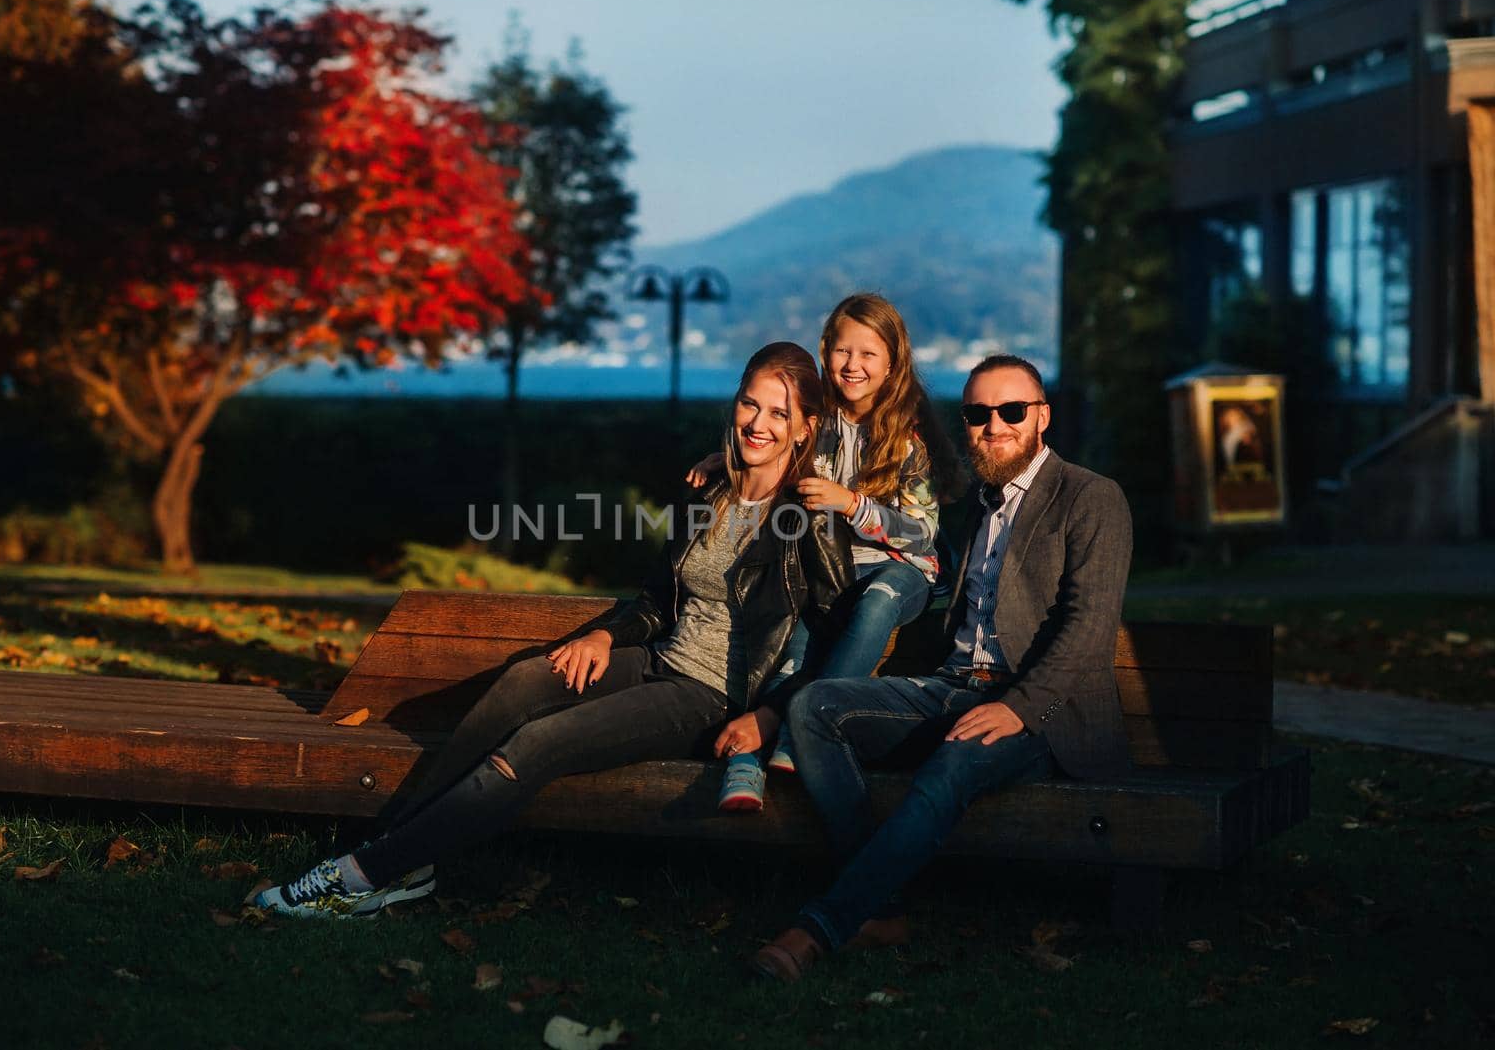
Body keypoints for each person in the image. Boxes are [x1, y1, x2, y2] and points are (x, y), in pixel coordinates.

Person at [248, 342, 853, 918]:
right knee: (523, 681)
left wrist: (771, 715)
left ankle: (362, 876)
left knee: (537, 743)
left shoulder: (807, 520)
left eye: (781, 413)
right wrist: (603, 637)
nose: (759, 423)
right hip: (660, 658)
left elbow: (835, 638)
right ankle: (393, 855)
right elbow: (657, 599)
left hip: (710, 698)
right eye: (751, 403)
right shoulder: (710, 489)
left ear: (805, 428)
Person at [750, 353, 1133, 980]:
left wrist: (1016, 709)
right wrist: (729, 464)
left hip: (1042, 714)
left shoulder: (1091, 498)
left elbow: (1087, 631)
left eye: (1012, 411)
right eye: (979, 414)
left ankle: (818, 929)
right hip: (954, 688)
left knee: (950, 763)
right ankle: (882, 906)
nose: (995, 426)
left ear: (1043, 418)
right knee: (815, 708)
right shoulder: (981, 504)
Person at [689, 293, 963, 812]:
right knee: (793, 648)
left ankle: (802, 731)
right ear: (825, 350)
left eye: (868, 354)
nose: (853, 366)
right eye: (842, 351)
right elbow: (768, 445)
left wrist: (853, 504)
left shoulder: (907, 436)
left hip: (903, 571)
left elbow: (923, 532)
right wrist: (723, 461)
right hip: (832, 570)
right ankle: (746, 766)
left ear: (892, 363)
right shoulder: (816, 422)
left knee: (877, 601)